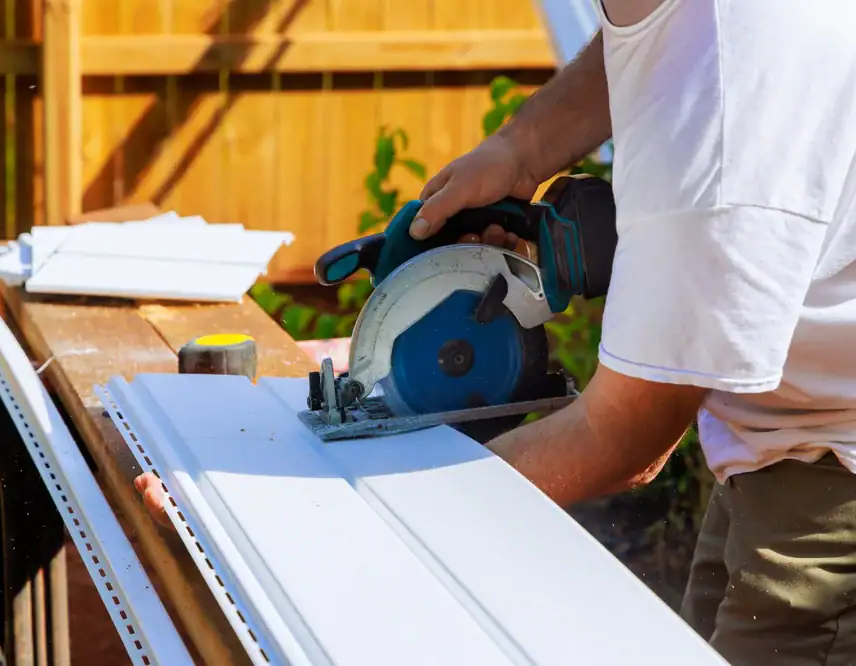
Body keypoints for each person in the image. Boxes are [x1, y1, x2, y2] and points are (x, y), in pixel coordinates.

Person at [136, 2, 856, 663]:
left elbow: (624, 439)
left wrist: (305, 522)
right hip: (773, 439)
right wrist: (520, 149)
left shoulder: (720, 124)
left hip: (834, 476)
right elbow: (643, 41)